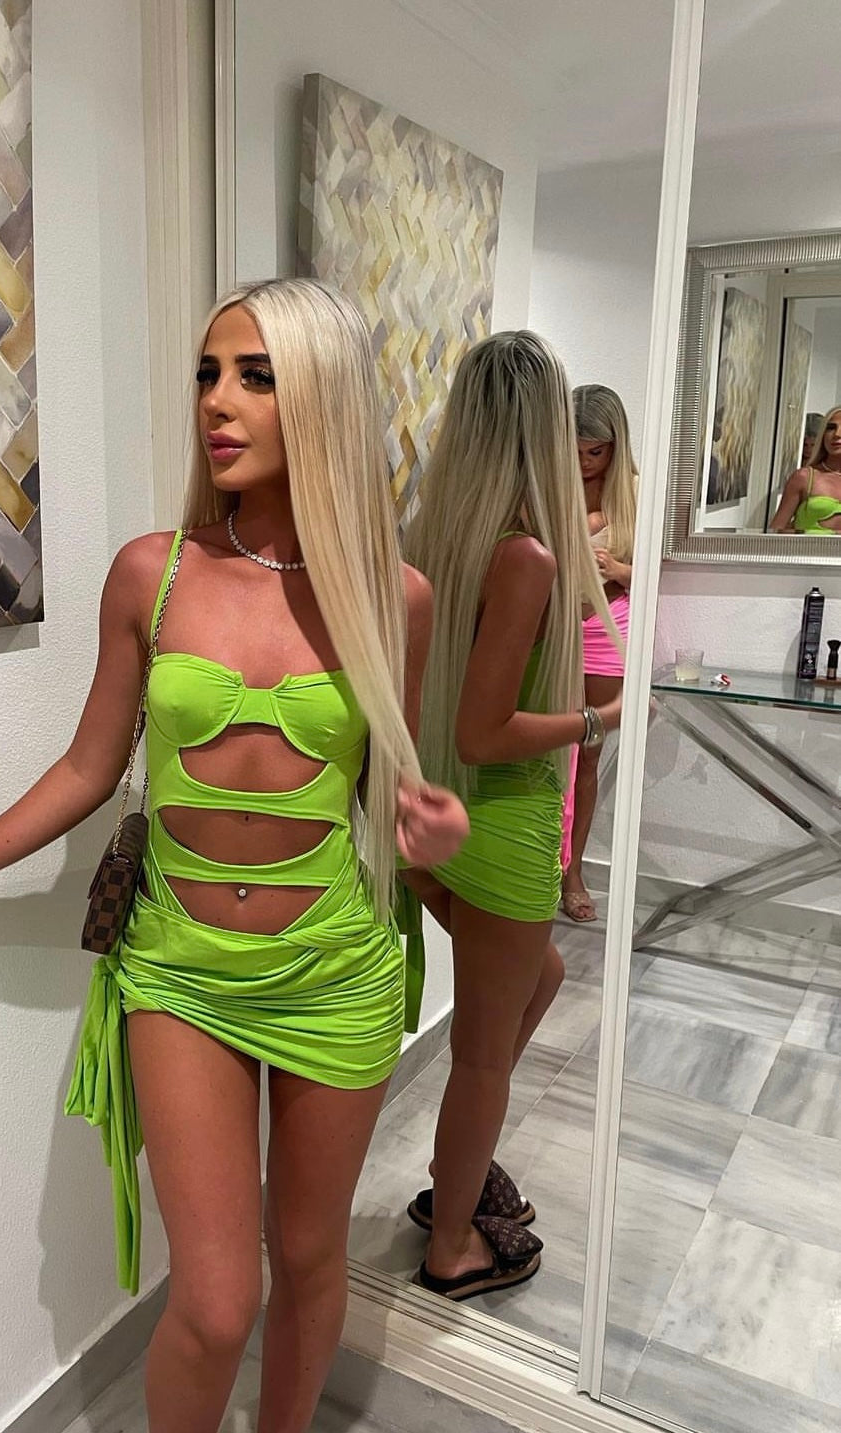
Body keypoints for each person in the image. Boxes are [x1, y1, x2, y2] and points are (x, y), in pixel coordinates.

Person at [0, 277, 467, 1433]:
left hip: (334, 968)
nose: (217, 400)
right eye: (208, 373)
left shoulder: (392, 597)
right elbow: (86, 768)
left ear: (324, 397)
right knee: (215, 1300)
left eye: (255, 376)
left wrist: (433, 837)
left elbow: (395, 795)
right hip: (179, 970)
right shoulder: (153, 572)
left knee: (312, 1259)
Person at [398, 331, 621, 1301]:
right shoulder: (524, 555)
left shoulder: (435, 537)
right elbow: (488, 732)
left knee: (545, 977)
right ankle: (452, 1242)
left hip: (439, 820)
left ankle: (456, 1170)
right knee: (482, 1059)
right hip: (504, 824)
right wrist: (600, 717)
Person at [560, 384, 637, 923]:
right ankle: (545, 861)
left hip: (609, 627)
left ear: (615, 445)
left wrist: (620, 569)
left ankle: (574, 871)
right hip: (556, 627)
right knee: (548, 752)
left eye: (596, 451)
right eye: (576, 449)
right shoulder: (550, 482)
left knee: (588, 752)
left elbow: (658, 578)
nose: (585, 462)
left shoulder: (634, 493)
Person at [771, 406, 841, 533]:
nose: (837, 434)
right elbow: (775, 531)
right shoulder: (804, 478)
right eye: (831, 428)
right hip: (808, 546)